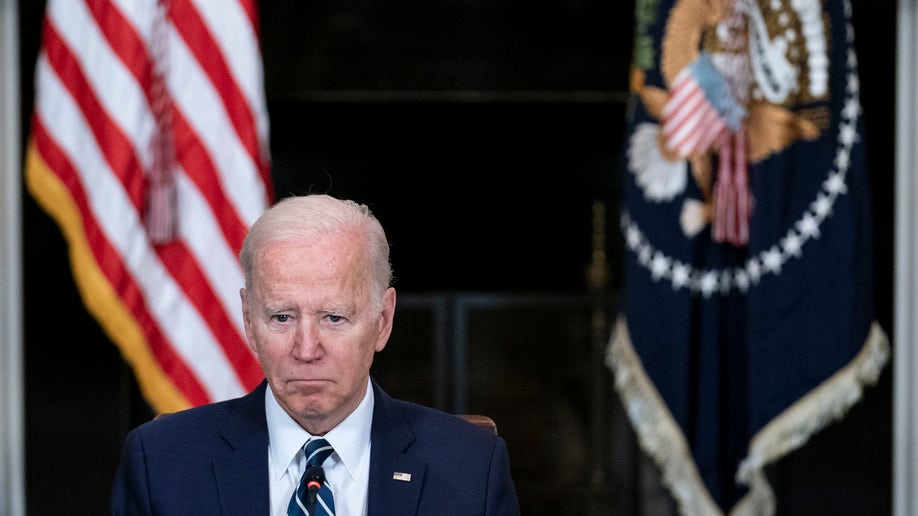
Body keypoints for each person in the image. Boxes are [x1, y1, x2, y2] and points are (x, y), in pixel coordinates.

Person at [111, 194, 521, 515]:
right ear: (250, 321)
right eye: (282, 317)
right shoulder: (162, 464)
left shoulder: (469, 468)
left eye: (334, 317)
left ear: (383, 320)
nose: (306, 350)